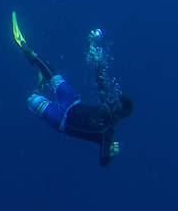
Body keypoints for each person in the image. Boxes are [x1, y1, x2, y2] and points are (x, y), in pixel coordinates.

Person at [12, 11, 133, 167]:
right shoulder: (109, 105)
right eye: (117, 107)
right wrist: (97, 59)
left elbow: (103, 162)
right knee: (52, 73)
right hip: (72, 101)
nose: (115, 112)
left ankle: (39, 88)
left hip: (61, 120)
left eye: (119, 113)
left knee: (31, 100)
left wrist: (112, 155)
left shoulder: (107, 135)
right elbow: (101, 81)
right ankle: (26, 49)